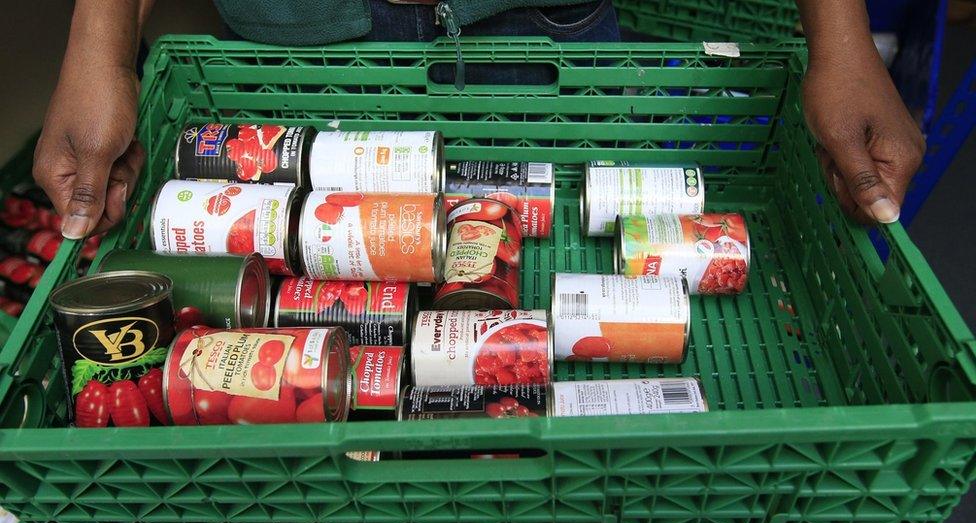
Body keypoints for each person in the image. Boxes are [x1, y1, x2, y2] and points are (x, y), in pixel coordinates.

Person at [34, 0, 923, 239]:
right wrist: (100, 40)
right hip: (298, 39)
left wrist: (840, 39)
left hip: (542, 28)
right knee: (304, 285)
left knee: (551, 255)